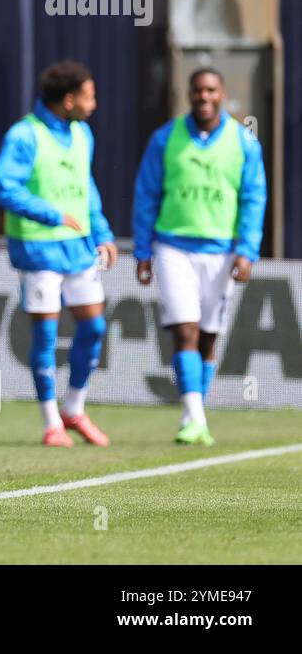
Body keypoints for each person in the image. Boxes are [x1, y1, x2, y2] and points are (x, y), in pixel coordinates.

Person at [132, 68, 266, 446]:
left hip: (221, 252)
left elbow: (253, 199)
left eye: (211, 90)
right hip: (174, 247)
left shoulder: (244, 142)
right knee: (184, 331)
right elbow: (146, 196)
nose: (204, 97)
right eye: (197, 90)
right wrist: (143, 251)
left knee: (208, 338)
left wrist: (247, 250)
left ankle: (196, 413)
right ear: (188, 94)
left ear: (222, 94)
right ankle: (194, 417)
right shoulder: (165, 139)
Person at [0, 61, 118, 447]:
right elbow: (2, 186)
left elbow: (86, 186)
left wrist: (104, 232)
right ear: (68, 99)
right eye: (89, 96)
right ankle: (51, 424)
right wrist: (51, 214)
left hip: (78, 248)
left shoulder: (83, 134)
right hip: (38, 248)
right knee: (45, 335)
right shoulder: (24, 135)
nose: (94, 104)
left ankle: (74, 408)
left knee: (94, 326)